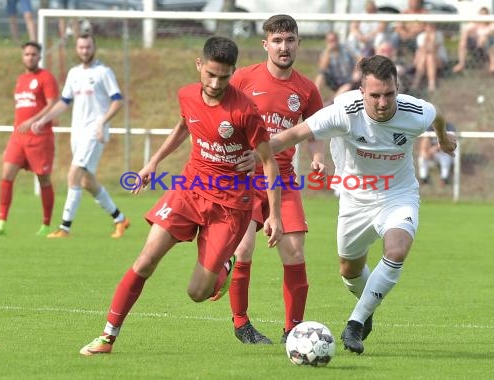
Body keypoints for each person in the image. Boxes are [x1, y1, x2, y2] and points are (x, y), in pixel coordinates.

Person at [78, 36, 283, 356]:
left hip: (230, 206)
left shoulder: (245, 110)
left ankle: (223, 269)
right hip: (189, 190)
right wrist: (153, 162)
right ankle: (107, 337)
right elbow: (183, 126)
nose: (216, 83)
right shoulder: (187, 95)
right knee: (145, 260)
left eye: (224, 76)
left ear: (233, 72)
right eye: (210, 74)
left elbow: (269, 160)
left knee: (197, 293)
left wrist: (275, 215)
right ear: (199, 65)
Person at [267, 55, 457, 354]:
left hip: (398, 195)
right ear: (361, 92)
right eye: (375, 95)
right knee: (349, 270)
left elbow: (438, 116)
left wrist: (443, 140)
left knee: (396, 249)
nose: (383, 103)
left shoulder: (414, 111)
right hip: (354, 199)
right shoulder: (343, 111)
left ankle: (355, 323)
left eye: (389, 94)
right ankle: (367, 308)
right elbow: (294, 134)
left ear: (398, 87)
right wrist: (253, 153)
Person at [226, 14, 325, 344]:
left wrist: (318, 157)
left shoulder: (306, 89)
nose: (284, 47)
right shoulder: (243, 78)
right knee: (244, 250)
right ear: (266, 44)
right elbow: (220, 113)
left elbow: (314, 130)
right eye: (278, 41)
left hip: (283, 179)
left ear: (298, 43)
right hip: (246, 178)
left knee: (295, 253)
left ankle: (292, 330)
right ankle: (242, 324)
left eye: (290, 40)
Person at [31, 34, 129, 238]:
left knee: (73, 175)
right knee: (86, 182)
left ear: (94, 47)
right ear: (77, 49)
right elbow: (64, 102)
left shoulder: (104, 72)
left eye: (88, 47)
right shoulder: (74, 73)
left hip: (94, 133)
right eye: (81, 47)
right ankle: (120, 219)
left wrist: (102, 122)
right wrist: (43, 119)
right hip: (77, 133)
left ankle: (64, 228)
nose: (85, 51)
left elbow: (118, 101)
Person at [0, 41, 59, 237]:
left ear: (40, 56)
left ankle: (46, 224)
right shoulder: (21, 80)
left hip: (40, 138)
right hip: (18, 137)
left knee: (43, 179)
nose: (30, 57)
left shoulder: (46, 78)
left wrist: (33, 121)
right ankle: (1, 222)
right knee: (6, 175)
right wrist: (22, 124)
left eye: (34, 54)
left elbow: (53, 104)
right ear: (22, 57)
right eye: (27, 54)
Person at [452, 7, 494, 75]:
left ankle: (493, 66)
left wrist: (484, 35)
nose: (483, 17)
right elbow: (465, 30)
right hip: (475, 45)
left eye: (485, 15)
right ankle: (461, 64)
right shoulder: (475, 24)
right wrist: (465, 39)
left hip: (487, 45)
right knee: (463, 40)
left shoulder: (491, 24)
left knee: (492, 40)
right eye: (481, 14)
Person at [314, 31, 358, 105]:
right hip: (334, 80)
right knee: (320, 75)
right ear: (326, 41)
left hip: (348, 79)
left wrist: (356, 71)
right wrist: (328, 51)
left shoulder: (346, 49)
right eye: (330, 40)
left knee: (347, 85)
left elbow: (359, 59)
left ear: (337, 39)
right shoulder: (325, 52)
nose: (332, 42)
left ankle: (332, 102)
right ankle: (314, 98)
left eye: (334, 40)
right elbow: (322, 68)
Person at [412, 23, 449, 92]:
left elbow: (433, 50)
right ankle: (431, 83)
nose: (430, 29)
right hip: (424, 60)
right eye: (428, 27)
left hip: (439, 60)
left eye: (432, 27)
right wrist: (426, 39)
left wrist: (432, 39)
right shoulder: (421, 36)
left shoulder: (438, 35)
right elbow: (423, 50)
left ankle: (417, 82)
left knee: (430, 56)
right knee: (427, 57)